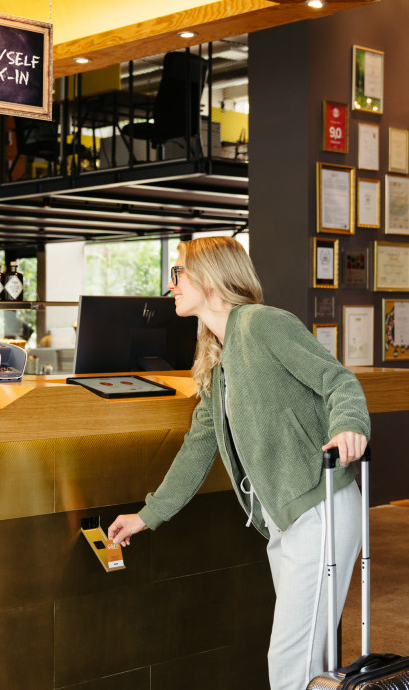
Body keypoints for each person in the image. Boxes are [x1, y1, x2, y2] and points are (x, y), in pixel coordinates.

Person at [107, 236, 369, 690]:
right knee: (306, 658)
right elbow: (199, 444)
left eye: (178, 273)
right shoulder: (216, 356)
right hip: (283, 521)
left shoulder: (262, 325)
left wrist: (350, 426)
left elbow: (338, 381)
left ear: (209, 277)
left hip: (317, 506)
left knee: (292, 661)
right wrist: (148, 515)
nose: (171, 286)